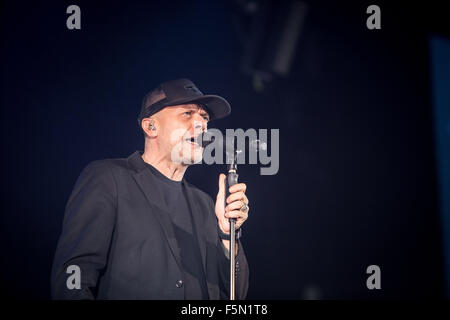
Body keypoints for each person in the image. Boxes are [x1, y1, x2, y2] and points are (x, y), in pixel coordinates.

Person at [51, 78, 250, 299]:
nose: (201, 124)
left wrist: (227, 234)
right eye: (188, 114)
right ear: (150, 126)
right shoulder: (109, 179)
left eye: (204, 117)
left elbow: (236, 296)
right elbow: (75, 272)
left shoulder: (205, 204)